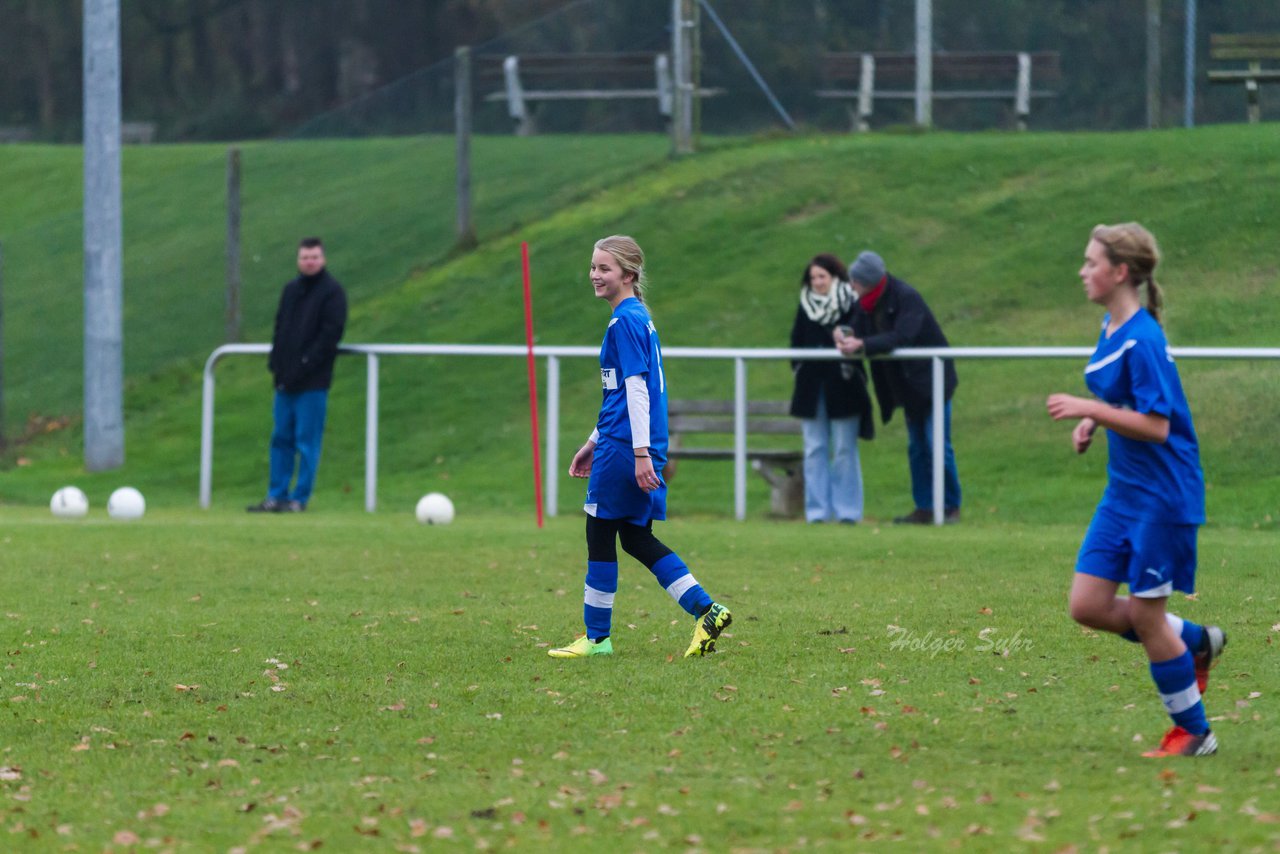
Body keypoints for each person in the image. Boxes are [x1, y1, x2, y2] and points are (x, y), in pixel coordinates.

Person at [1046, 223, 1225, 758]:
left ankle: (1195, 732)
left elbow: (1157, 426)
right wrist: (1096, 423)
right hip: (1124, 492)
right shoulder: (1110, 325)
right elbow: (1125, 403)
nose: (1082, 271)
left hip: (1162, 496)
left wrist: (1090, 409)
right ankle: (1194, 641)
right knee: (1087, 605)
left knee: (1148, 617)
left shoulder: (1145, 340)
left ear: (1119, 271)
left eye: (1090, 262)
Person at [549, 235, 732, 660]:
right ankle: (708, 610)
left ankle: (596, 639)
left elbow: (637, 391)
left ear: (628, 275)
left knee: (600, 534)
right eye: (593, 267)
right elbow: (620, 393)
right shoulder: (636, 317)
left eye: (604, 269)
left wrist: (639, 454)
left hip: (626, 447)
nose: (595, 275)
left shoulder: (625, 322)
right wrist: (592, 441)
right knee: (633, 536)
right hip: (617, 442)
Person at [834, 251, 961, 524]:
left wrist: (863, 346)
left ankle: (951, 506)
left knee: (937, 445)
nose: (851, 286)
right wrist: (843, 335)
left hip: (933, 382)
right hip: (908, 388)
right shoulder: (864, 303)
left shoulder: (906, 297)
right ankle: (925, 507)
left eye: (854, 280)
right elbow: (854, 328)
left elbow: (903, 336)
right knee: (917, 447)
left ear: (866, 281)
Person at [247, 237, 348, 513]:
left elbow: (330, 337)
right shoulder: (291, 290)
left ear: (323, 259)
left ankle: (298, 498)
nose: (309, 261)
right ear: (298, 260)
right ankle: (275, 495)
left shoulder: (332, 292)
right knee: (281, 439)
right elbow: (281, 328)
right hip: (285, 381)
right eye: (305, 257)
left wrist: (303, 366)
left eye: (314, 257)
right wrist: (276, 364)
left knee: (306, 441)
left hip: (313, 383)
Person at [788, 253, 874, 524]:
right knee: (814, 449)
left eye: (822, 277)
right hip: (811, 389)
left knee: (845, 450)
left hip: (844, 386)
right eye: (813, 278)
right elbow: (796, 343)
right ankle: (817, 513)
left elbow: (860, 337)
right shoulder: (806, 306)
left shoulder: (851, 303)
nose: (817, 282)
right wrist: (802, 367)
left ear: (834, 277)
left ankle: (848, 513)